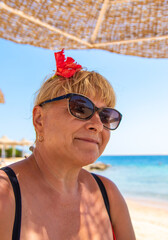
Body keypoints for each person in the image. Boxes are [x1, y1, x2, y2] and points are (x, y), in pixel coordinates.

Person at [0, 49, 136, 240]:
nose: (97, 125)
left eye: (106, 116)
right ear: (39, 119)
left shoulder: (109, 194)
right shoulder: (5, 195)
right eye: (81, 108)